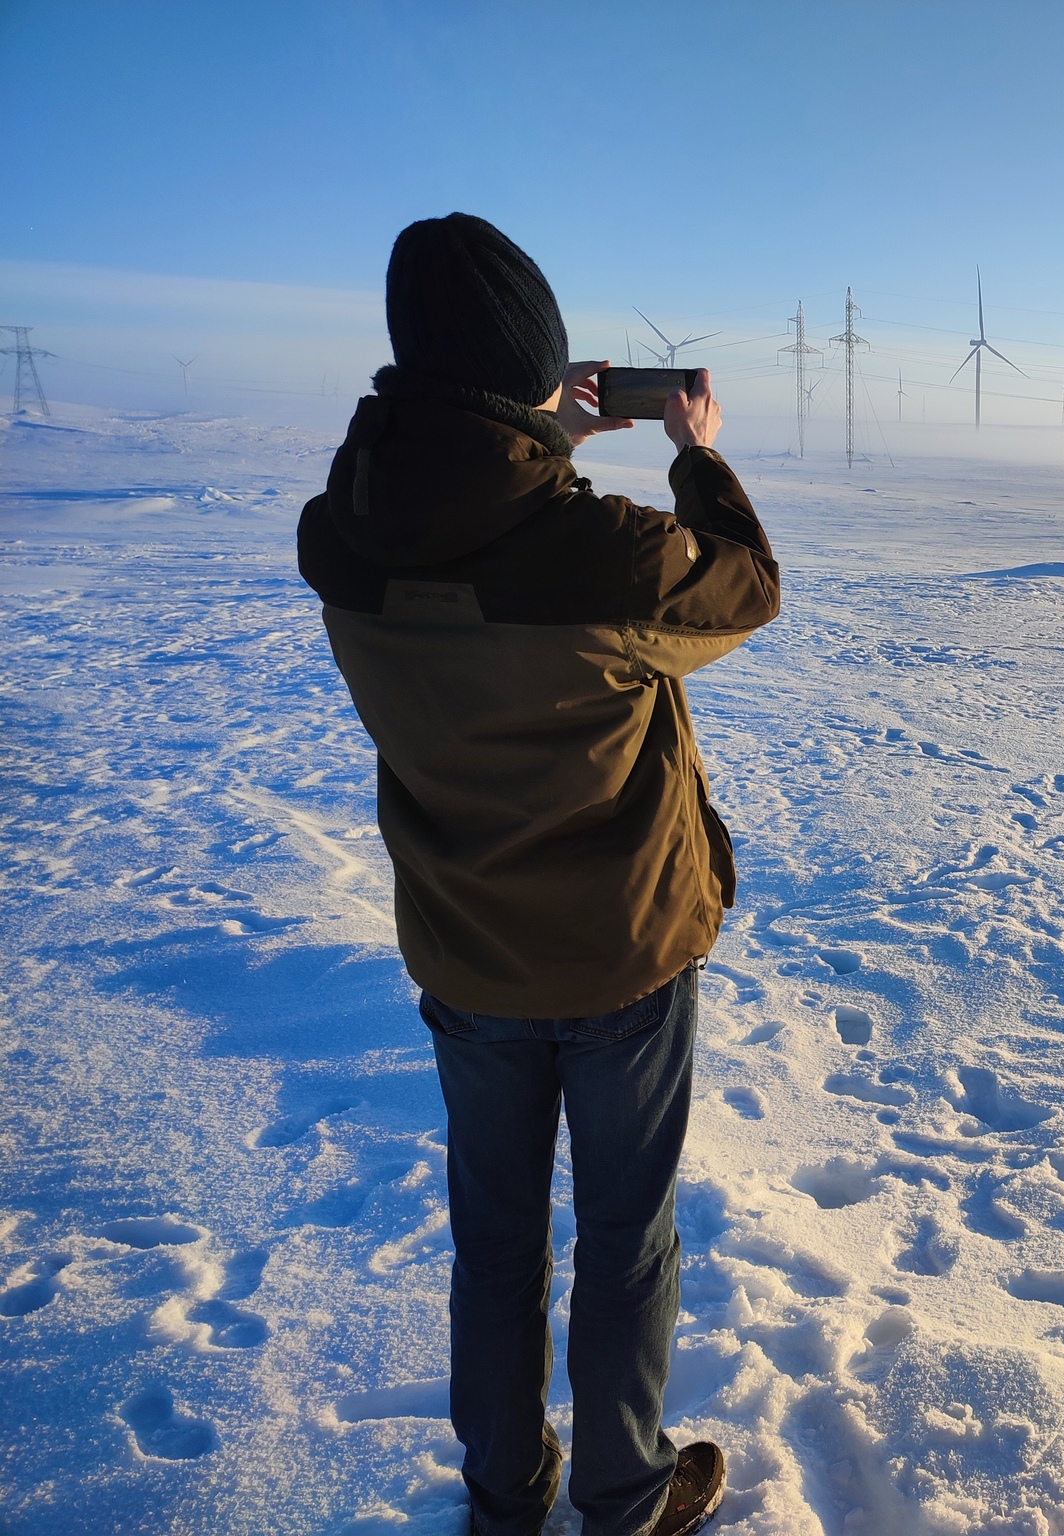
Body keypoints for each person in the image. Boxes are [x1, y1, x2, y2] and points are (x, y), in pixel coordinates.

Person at [297, 213, 778, 1536]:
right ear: (531, 366)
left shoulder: (341, 539)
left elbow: (456, 528)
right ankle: (625, 1497)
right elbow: (743, 592)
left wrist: (534, 439)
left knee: (496, 1242)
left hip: (465, 949)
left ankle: (507, 1495)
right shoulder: (601, 553)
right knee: (625, 1239)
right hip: (622, 952)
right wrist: (698, 455)